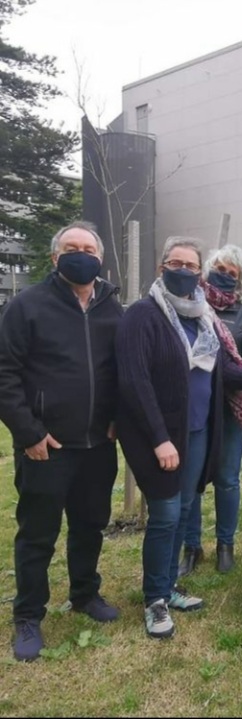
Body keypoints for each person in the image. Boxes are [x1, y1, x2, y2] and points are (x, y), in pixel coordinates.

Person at [115, 237, 242, 639]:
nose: (184, 271)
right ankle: (154, 599)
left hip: (199, 429)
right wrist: (159, 438)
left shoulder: (202, 317)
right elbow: (135, 381)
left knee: (184, 506)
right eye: (177, 263)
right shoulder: (143, 315)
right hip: (160, 435)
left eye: (190, 265)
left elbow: (221, 370)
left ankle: (167, 586)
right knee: (166, 513)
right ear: (162, 268)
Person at [0, 221, 123, 662]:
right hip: (46, 446)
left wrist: (117, 418)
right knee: (38, 534)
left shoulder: (112, 308)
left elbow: (119, 371)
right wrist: (28, 432)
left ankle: (85, 594)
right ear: (56, 258)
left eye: (89, 249)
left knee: (90, 525)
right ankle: (28, 615)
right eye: (72, 248)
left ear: (100, 259)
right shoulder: (27, 306)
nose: (81, 255)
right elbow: (5, 373)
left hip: (98, 445)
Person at [179, 245, 242, 576]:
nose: (225, 275)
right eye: (220, 269)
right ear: (207, 269)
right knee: (192, 481)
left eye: (233, 273)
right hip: (196, 405)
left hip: (231, 409)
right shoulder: (188, 305)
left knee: (228, 479)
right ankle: (192, 547)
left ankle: (225, 545)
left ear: (240, 279)